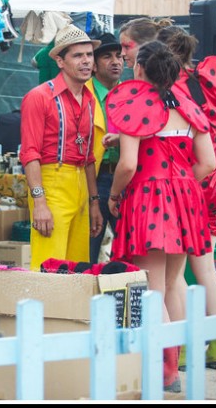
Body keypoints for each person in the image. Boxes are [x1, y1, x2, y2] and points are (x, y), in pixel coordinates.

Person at [106, 40, 216, 392]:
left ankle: (165, 372)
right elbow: (208, 164)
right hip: (186, 198)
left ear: (139, 69)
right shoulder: (187, 105)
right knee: (172, 283)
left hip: (148, 199)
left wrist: (115, 194)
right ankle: (176, 365)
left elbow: (128, 164)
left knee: (151, 288)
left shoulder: (134, 105)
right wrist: (180, 185)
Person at [158, 25, 216, 371]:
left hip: (184, 179)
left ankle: (185, 350)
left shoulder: (169, 90)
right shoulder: (206, 81)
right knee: (206, 268)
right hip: (213, 178)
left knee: (174, 275)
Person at [19, 24, 103, 271]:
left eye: (89, 55)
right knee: (49, 267)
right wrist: (40, 203)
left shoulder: (88, 97)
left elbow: (88, 156)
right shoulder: (39, 96)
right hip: (51, 183)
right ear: (59, 61)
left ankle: (69, 312)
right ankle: (42, 312)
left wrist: (94, 202)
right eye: (78, 55)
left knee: (78, 269)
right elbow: (29, 154)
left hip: (81, 186)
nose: (86, 61)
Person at [86, 33, 123, 264]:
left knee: (128, 251)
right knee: (89, 247)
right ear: (94, 64)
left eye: (119, 56)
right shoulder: (83, 92)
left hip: (125, 176)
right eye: (107, 56)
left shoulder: (131, 93)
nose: (116, 61)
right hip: (93, 178)